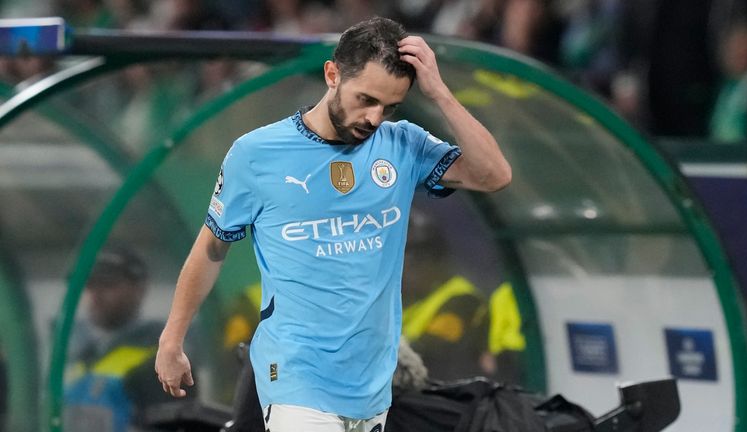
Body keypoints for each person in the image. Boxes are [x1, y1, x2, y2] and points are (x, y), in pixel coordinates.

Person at [154, 16, 511, 432]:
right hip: (295, 376)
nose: (375, 117)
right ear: (332, 74)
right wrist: (172, 339)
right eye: (365, 99)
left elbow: (494, 175)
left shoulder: (403, 144)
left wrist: (440, 94)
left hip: (372, 383)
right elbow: (212, 249)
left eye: (389, 106)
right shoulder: (256, 154)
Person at [64, 246, 173, 432]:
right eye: (89, 285)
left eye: (107, 285)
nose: (95, 295)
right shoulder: (85, 356)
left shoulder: (162, 360)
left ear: (139, 289)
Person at [401, 208, 490, 381]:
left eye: (405, 262)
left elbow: (432, 352)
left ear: (427, 259)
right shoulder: (412, 301)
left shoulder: (462, 301)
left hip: (445, 397)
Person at [709, 20, 747, 143]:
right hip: (718, 157)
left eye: (745, 49)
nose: (738, 54)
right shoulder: (724, 88)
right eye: (734, 49)